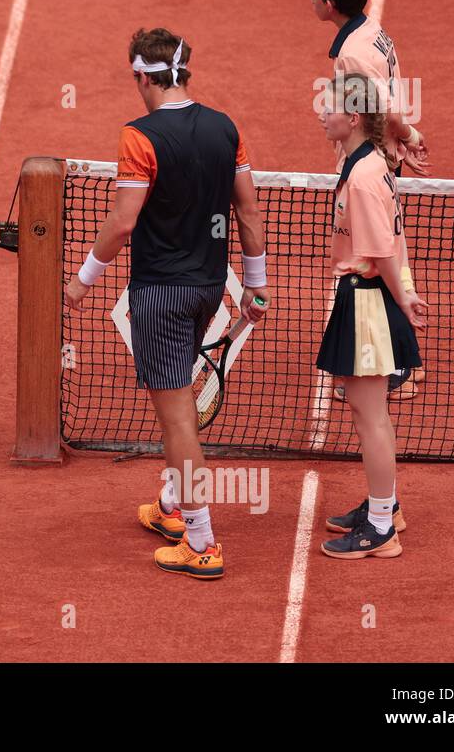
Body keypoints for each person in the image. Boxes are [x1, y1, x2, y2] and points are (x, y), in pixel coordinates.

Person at [65, 28, 268, 580]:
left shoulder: (139, 137)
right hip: (209, 288)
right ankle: (173, 509)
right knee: (179, 412)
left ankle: (200, 542)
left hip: (161, 294)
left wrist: (84, 278)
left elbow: (124, 221)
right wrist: (255, 284)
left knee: (177, 421)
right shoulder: (226, 128)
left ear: (140, 77)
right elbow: (247, 213)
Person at [316, 74, 428, 559]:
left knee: (370, 417)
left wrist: (402, 300)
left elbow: (382, 252)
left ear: (354, 118)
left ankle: (381, 527)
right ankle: (386, 507)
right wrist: (403, 293)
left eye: (330, 108)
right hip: (370, 297)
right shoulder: (368, 162)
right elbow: (393, 247)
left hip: (367, 300)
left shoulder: (363, 176)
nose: (322, 114)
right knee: (368, 414)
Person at [307, 0, 426, 399]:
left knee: (369, 262)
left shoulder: (354, 52)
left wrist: (407, 136)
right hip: (379, 154)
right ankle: (397, 357)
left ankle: (393, 364)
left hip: (368, 158)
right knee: (388, 250)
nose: (311, 1)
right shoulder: (367, 28)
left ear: (331, 2)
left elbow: (377, 107)